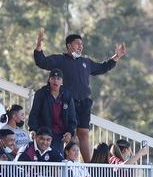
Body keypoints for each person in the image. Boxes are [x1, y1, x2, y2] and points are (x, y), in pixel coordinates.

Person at [34, 29, 127, 162]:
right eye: (77, 44)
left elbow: (102, 67)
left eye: (82, 45)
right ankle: (68, 163)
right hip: (67, 102)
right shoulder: (60, 59)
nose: (80, 47)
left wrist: (117, 56)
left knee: (83, 133)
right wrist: (38, 46)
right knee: (70, 134)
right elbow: (41, 62)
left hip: (84, 102)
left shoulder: (86, 62)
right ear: (69, 46)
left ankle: (89, 165)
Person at [28, 68, 77, 155]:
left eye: (58, 79)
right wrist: (33, 129)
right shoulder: (41, 94)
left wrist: (69, 132)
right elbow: (34, 114)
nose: (56, 81)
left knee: (56, 160)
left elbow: (72, 117)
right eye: (53, 78)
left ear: (62, 81)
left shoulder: (67, 95)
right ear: (49, 80)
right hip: (43, 134)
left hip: (59, 135)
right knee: (42, 159)